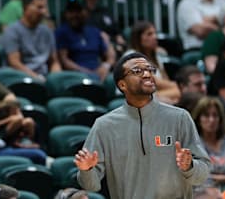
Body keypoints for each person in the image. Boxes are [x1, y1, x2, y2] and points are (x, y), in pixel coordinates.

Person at [74, 52, 210, 198]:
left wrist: (189, 166)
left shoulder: (179, 118)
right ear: (122, 84)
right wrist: (86, 169)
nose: (147, 74)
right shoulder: (104, 126)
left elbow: (202, 174)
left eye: (150, 69)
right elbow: (91, 186)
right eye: (137, 71)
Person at [1, 0, 61, 82]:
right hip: (21, 79)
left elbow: (54, 61)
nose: (44, 12)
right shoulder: (12, 31)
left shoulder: (47, 31)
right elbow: (14, 63)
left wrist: (56, 78)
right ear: (26, 7)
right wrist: (38, 78)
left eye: (44, 8)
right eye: (39, 8)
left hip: (44, 76)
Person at [55, 0, 115, 81]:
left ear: (86, 12)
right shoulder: (62, 32)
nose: (74, 15)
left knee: (112, 80)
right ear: (66, 14)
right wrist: (87, 72)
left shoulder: (95, 31)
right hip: (76, 74)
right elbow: (64, 60)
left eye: (78, 11)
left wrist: (105, 66)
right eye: (71, 11)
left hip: (99, 72)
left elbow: (110, 55)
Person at [126, 21, 180, 104]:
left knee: (180, 93)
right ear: (138, 38)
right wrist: (178, 87)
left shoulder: (156, 57)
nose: (155, 37)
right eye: (149, 34)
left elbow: (165, 80)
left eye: (155, 33)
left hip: (155, 94)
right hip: (138, 97)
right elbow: (154, 81)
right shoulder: (132, 56)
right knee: (179, 92)